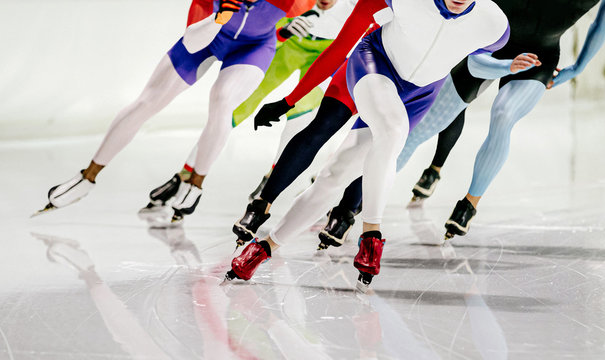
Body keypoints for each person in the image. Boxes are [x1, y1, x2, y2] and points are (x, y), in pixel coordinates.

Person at [226, 0, 511, 289]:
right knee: (389, 130)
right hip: (374, 65)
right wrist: (290, 100)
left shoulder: (495, 25)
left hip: (419, 95)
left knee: (335, 175)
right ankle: (372, 234)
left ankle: (263, 248)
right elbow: (340, 48)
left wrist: (508, 65)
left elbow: (476, 60)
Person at [36, 0, 314, 216]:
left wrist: (283, 32)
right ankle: (87, 177)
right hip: (207, 35)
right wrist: (220, 17)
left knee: (222, 100)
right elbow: (193, 41)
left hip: (253, 47)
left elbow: (317, 14)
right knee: (147, 102)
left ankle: (195, 184)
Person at [389, 0, 605, 239]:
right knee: (427, 123)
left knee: (504, 115)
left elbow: (602, 24)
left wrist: (578, 67)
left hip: (538, 55)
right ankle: (360, 197)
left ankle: (469, 204)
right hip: (490, 41)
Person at [137, 0, 359, 223]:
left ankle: (273, 176)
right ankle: (186, 173)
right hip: (290, 42)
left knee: (301, 113)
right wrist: (281, 32)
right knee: (235, 107)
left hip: (330, 50)